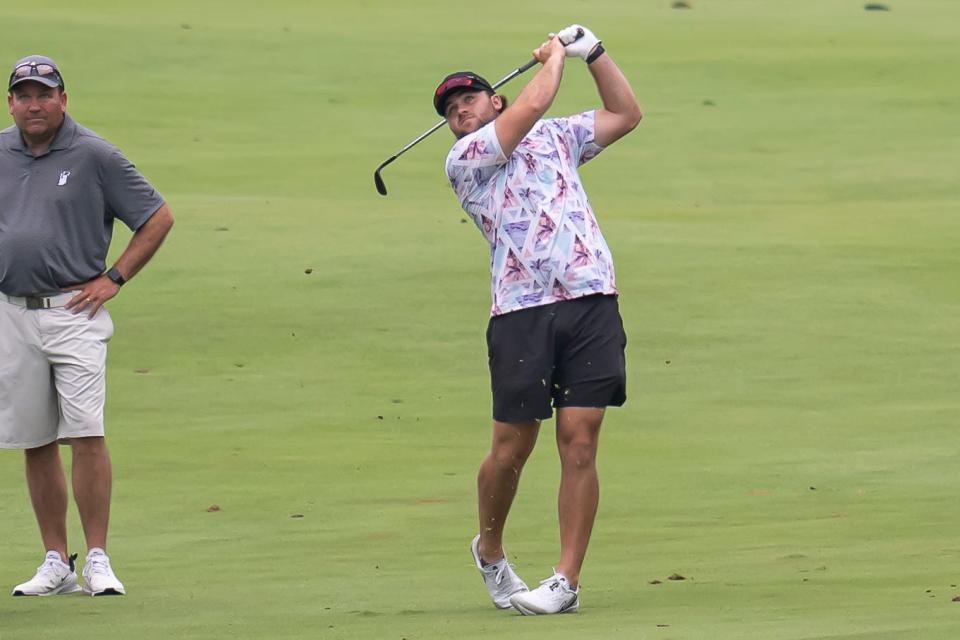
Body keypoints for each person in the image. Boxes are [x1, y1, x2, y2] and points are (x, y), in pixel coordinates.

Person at [437, 25, 642, 615]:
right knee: (512, 446)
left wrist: (594, 53)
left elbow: (625, 114)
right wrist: (555, 56)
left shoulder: (556, 138)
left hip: (591, 299)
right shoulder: (466, 159)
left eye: (469, 99)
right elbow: (534, 101)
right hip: (521, 313)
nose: (461, 113)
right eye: (451, 111)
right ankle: (492, 551)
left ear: (491, 98)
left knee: (580, 441)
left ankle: (565, 581)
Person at [1, 55, 174, 596]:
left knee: (85, 433)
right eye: (23, 95)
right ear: (11, 103)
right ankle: (56, 561)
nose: (34, 104)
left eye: (43, 94)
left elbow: (157, 216)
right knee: (34, 439)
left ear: (63, 100)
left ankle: (97, 558)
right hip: (11, 312)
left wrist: (115, 278)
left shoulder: (94, 154)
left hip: (76, 312)